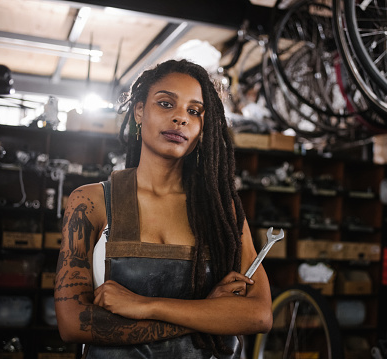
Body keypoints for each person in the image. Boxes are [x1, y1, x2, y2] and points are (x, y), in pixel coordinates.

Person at [54, 59, 273, 358]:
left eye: (194, 111)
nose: (180, 118)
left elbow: (258, 315)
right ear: (139, 111)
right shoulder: (90, 203)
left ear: (202, 126)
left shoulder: (222, 210)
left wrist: (146, 305)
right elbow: (72, 324)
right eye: (166, 104)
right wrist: (210, 314)